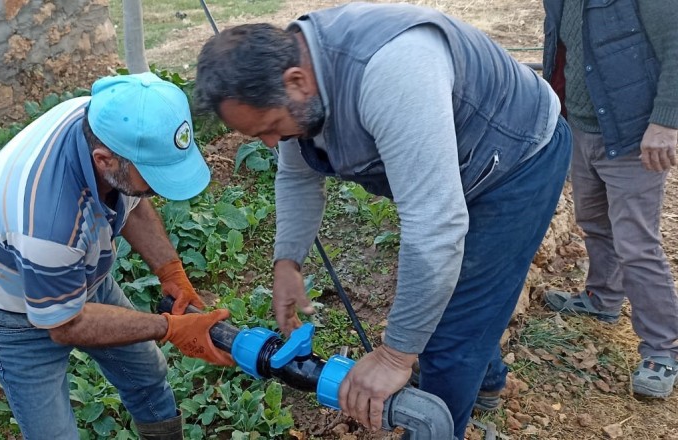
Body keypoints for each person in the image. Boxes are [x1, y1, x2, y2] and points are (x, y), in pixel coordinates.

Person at [193, 3, 572, 438]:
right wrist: (287, 262)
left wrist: (395, 356)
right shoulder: (296, 78)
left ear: (296, 81)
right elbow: (297, 176)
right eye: (258, 135)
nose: (271, 142)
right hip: (461, 162)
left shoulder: (394, 71)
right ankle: (485, 380)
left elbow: (436, 230)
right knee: (453, 300)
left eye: (271, 127)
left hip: (517, 158)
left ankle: (439, 421)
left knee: (447, 336)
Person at [0, 72, 234, 440]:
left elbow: (133, 202)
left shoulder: (107, 123)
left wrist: (171, 271)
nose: (159, 189)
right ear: (103, 160)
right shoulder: (47, 220)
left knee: (147, 375)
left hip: (85, 282)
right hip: (15, 316)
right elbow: (67, 324)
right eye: (153, 176)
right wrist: (169, 328)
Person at [541, 0, 678, 398]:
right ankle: (602, 297)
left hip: (634, 133)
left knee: (636, 244)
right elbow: (559, 51)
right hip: (581, 126)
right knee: (594, 222)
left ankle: (662, 347)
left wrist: (667, 121)